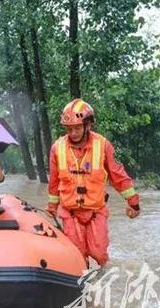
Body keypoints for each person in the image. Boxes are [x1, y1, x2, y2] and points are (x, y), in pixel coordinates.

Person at [45, 99, 140, 267]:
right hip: (70, 212)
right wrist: (52, 206)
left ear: (87, 125)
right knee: (77, 257)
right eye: (69, 129)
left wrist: (133, 202)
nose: (73, 133)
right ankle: (85, 290)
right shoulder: (57, 148)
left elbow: (117, 175)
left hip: (96, 212)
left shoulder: (103, 145)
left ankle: (103, 285)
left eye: (77, 128)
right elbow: (53, 181)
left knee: (99, 254)